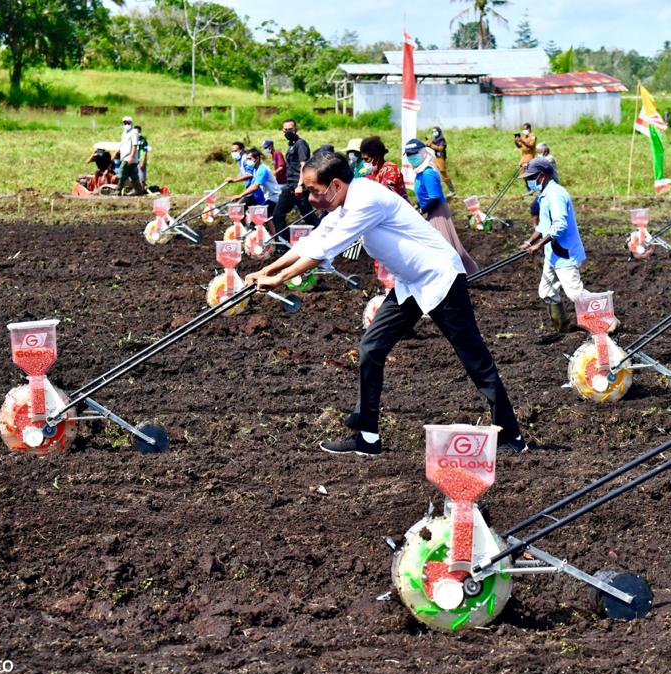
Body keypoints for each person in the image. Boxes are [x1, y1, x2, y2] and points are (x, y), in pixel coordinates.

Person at [244, 151, 527, 456]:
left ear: (336, 185)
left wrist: (282, 279)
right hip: (410, 284)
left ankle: (512, 437)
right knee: (371, 348)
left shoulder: (366, 200)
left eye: (314, 190)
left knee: (474, 359)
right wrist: (267, 270)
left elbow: (327, 249)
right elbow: (314, 239)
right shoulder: (346, 201)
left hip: (440, 279)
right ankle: (367, 436)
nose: (311, 198)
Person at [518, 157, 589, 333]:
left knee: (575, 294)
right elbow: (543, 226)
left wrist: (539, 245)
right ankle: (563, 330)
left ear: (542, 176)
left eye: (530, 178)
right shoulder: (545, 195)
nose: (529, 182)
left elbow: (559, 225)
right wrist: (529, 242)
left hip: (564, 253)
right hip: (553, 254)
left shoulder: (556, 194)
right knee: (547, 291)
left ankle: (607, 320)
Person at [404, 139, 478, 275]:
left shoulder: (428, 173)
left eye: (413, 154)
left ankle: (463, 273)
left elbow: (434, 198)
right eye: (408, 155)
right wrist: (417, 206)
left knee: (445, 247)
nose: (411, 158)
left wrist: (421, 210)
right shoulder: (419, 174)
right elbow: (424, 196)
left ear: (422, 153)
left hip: (437, 213)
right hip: (429, 211)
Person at [271, 119, 320, 237]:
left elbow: (304, 165)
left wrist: (300, 185)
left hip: (298, 187)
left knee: (309, 217)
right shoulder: (291, 145)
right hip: (289, 186)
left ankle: (327, 238)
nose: (288, 132)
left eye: (290, 129)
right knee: (277, 215)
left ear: (296, 130)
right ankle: (283, 246)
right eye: (285, 130)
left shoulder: (300, 144)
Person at [231, 148, 280, 213]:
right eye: (247, 159)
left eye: (249, 159)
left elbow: (255, 186)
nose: (248, 161)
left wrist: (240, 195)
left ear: (257, 158)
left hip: (274, 197)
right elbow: (252, 185)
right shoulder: (255, 170)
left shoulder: (263, 169)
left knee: (261, 216)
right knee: (259, 217)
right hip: (268, 197)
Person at [359, 136, 407, 200]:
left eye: (366, 159)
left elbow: (386, 196)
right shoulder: (371, 171)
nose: (364, 162)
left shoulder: (391, 170)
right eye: (362, 159)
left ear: (376, 157)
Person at [115, 116, 144, 196]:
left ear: (131, 123)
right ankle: (139, 191)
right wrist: (115, 153)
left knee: (121, 174)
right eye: (125, 122)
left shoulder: (134, 132)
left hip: (129, 157)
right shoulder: (124, 133)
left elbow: (135, 145)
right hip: (124, 157)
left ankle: (117, 191)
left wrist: (131, 157)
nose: (126, 124)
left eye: (128, 122)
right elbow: (122, 144)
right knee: (134, 175)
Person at [424, 126, 456, 196]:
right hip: (435, 158)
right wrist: (428, 144)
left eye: (435, 131)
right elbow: (432, 147)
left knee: (443, 172)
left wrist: (431, 145)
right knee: (435, 174)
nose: (434, 133)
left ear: (439, 132)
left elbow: (440, 148)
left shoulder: (442, 140)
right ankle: (436, 191)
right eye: (433, 132)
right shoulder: (434, 140)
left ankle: (452, 190)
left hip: (440, 158)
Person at [515, 122, 537, 189]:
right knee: (523, 174)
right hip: (523, 157)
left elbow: (531, 146)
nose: (524, 131)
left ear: (529, 129)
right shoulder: (524, 137)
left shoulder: (533, 136)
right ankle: (528, 188)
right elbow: (519, 146)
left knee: (529, 174)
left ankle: (533, 188)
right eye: (523, 129)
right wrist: (516, 141)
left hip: (530, 157)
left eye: (525, 129)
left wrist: (522, 141)